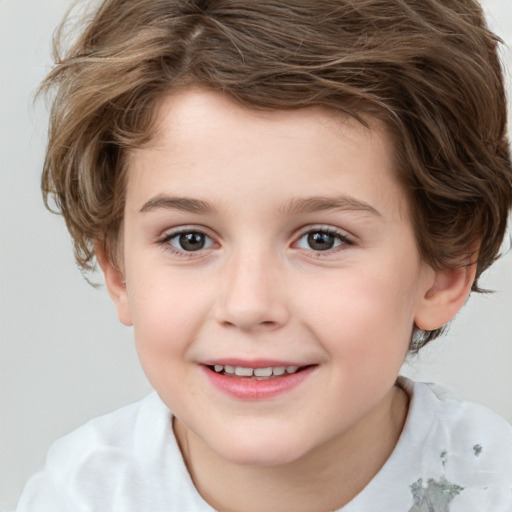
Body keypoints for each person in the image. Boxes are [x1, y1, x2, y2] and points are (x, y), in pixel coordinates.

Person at [16, 0, 512, 511]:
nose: (248, 305)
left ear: (444, 270)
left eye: (322, 239)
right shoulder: (78, 495)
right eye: (190, 239)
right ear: (118, 271)